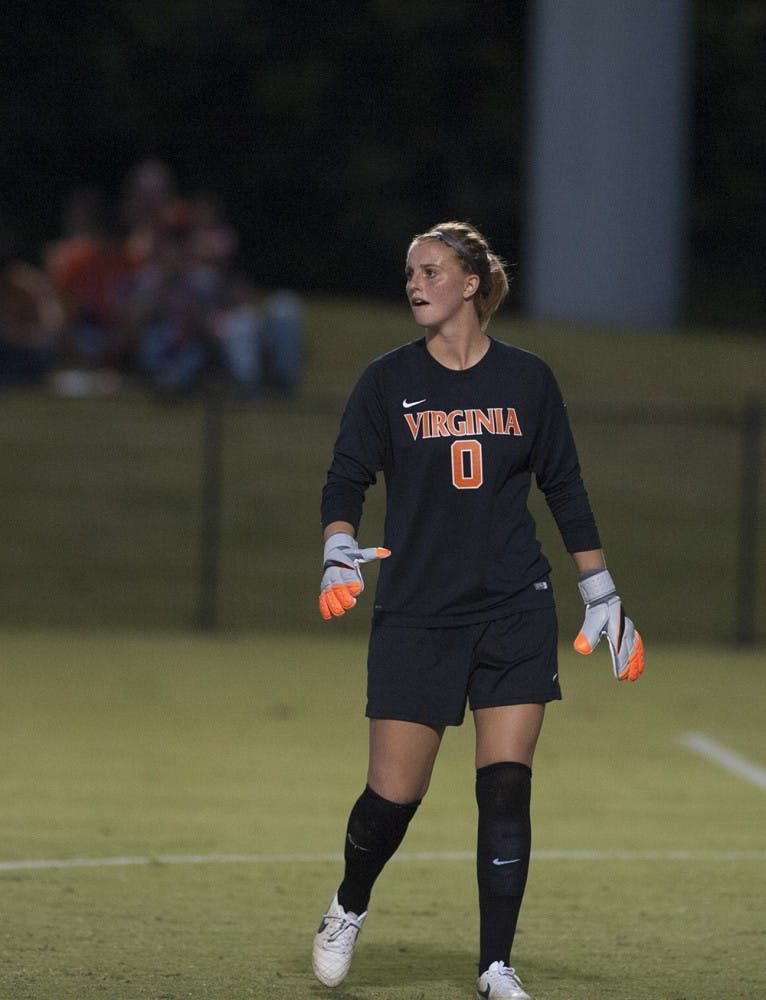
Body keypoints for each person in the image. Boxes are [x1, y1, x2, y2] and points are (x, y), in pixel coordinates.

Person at [312, 221, 645, 999]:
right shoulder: (387, 380)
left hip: (512, 608)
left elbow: (564, 487)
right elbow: (344, 479)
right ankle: (348, 904)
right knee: (391, 799)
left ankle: (495, 966)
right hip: (418, 612)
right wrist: (337, 546)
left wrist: (601, 591)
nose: (415, 284)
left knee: (505, 787)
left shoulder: (528, 380)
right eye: (408, 274)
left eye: (430, 270)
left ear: (470, 283)